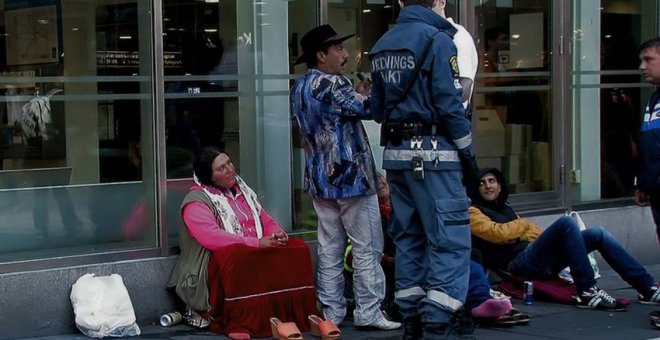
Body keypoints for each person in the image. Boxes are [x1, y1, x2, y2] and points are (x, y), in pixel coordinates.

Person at [369, 0, 479, 338]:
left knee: (409, 237)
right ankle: (438, 314)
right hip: (435, 156)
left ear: (402, 2)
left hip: (396, 157)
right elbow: (449, 103)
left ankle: (411, 314)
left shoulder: (381, 45)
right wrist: (468, 155)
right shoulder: (438, 39)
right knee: (449, 236)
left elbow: (376, 109)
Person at [290, 25, 400, 331]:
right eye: (337, 49)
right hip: (350, 176)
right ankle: (368, 310)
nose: (345, 53)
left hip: (319, 177)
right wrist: (372, 90)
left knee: (329, 246)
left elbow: (338, 113)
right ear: (321, 55)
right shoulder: (333, 83)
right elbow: (372, 109)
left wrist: (357, 97)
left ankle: (331, 310)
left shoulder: (300, 87)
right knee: (367, 245)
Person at [167, 147, 318, 338]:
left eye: (229, 163)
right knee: (237, 255)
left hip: (253, 250)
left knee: (297, 248)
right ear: (209, 176)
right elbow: (212, 238)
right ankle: (239, 323)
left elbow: (265, 219)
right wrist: (256, 243)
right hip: (211, 265)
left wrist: (277, 234)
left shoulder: (243, 191)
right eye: (221, 168)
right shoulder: (196, 201)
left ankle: (296, 316)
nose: (230, 170)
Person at [470, 167, 660, 312]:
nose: (488, 186)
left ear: (500, 185)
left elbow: (535, 234)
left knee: (597, 233)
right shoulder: (473, 211)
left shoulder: (505, 209)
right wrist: (521, 226)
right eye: (482, 183)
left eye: (492, 181)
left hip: (535, 257)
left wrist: (517, 231)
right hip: (517, 265)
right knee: (566, 223)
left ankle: (647, 287)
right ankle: (587, 290)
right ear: (476, 189)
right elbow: (497, 234)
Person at [633, 37, 660, 325]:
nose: (642, 67)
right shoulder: (654, 98)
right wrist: (642, 182)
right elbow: (649, 142)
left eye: (648, 60)